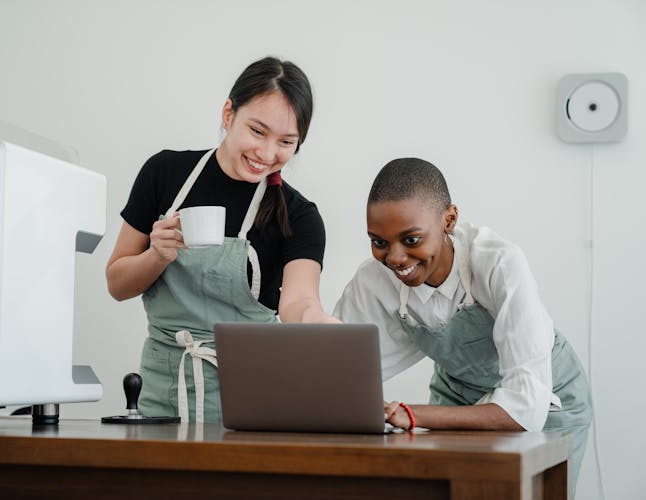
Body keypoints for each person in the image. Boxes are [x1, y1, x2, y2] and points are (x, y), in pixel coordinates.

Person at [334, 157, 592, 495]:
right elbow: (335, 372)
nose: (395, 258)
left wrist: (414, 415)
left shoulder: (499, 263)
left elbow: (525, 408)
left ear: (449, 220)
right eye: (379, 242)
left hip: (548, 400)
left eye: (411, 240)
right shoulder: (373, 281)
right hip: (457, 395)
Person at [106, 56, 337, 424]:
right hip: (163, 397)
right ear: (228, 114)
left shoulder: (300, 216)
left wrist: (320, 322)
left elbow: (299, 301)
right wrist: (157, 256)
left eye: (286, 142)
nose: (266, 154)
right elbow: (117, 283)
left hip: (253, 404)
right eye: (257, 131)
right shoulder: (164, 173)